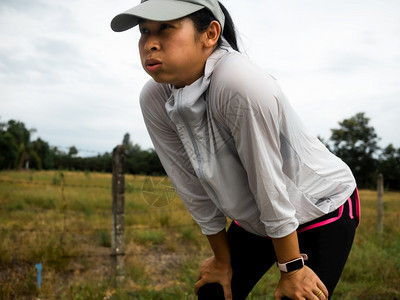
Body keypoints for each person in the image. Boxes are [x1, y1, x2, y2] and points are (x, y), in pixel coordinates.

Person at [111, 1, 360, 299]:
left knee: (298, 296)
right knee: (215, 292)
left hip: (321, 206)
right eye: (144, 31)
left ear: (210, 33)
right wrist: (221, 261)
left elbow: (268, 182)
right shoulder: (155, 96)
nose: (149, 43)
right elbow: (189, 185)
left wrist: (291, 269)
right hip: (259, 216)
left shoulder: (239, 83)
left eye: (166, 27)